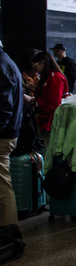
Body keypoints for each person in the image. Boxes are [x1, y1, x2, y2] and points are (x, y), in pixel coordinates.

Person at [0, 42, 24, 229]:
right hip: (9, 131)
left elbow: (4, 106)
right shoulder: (7, 62)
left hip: (3, 134)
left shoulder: (1, 65)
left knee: (3, 186)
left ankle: (8, 232)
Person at [31, 50, 68, 149]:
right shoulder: (47, 77)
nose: (35, 70)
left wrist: (41, 117)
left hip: (50, 120)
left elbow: (53, 103)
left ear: (42, 63)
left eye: (35, 66)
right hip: (46, 118)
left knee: (49, 150)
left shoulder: (55, 77)